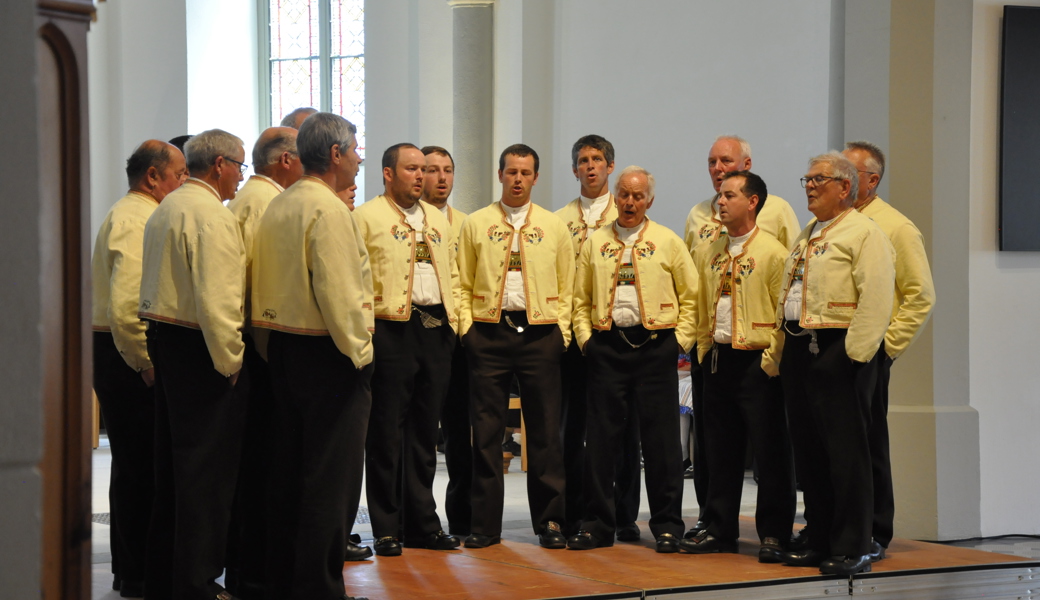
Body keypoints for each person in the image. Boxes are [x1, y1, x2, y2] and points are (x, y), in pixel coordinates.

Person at [251, 112, 372, 600]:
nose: (360, 158)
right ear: (337, 155)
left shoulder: (280, 205)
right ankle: (320, 588)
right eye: (356, 148)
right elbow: (341, 293)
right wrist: (361, 354)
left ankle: (285, 581)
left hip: (281, 348)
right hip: (327, 354)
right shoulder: (327, 210)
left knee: (291, 474)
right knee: (330, 481)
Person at [766, 151, 895, 576]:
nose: (809, 186)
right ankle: (819, 537)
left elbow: (876, 298)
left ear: (845, 187)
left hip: (841, 352)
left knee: (847, 455)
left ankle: (853, 543)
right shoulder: (810, 232)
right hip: (802, 349)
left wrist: (855, 357)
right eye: (806, 180)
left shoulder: (864, 233)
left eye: (818, 179)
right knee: (810, 453)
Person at [139, 129, 248, 600]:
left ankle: (166, 577)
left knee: (174, 471)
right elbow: (217, 299)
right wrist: (232, 360)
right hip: (201, 351)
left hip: (168, 343)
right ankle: (198, 584)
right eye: (240, 165)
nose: (242, 176)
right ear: (219, 164)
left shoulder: (167, 207)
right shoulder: (210, 216)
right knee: (207, 477)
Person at [568, 166, 695, 553]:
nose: (629, 202)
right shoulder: (595, 243)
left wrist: (678, 343)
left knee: (662, 444)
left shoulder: (668, 241)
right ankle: (597, 525)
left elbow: (691, 297)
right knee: (602, 443)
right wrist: (588, 341)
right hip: (607, 348)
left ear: (649, 201)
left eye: (638, 196)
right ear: (615, 198)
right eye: (624, 194)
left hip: (656, 348)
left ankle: (668, 525)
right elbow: (578, 298)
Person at [681, 135, 802, 540]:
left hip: (757, 362)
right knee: (719, 450)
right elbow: (699, 302)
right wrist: (700, 348)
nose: (721, 201)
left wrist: (771, 360)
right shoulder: (711, 250)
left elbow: (786, 312)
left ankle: (773, 533)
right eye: (720, 196)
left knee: (769, 452)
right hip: (716, 358)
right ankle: (718, 528)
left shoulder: (772, 252)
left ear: (752, 202)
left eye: (730, 195)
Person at [457, 144, 572, 549]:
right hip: (489, 333)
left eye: (525, 172)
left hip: (540, 334)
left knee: (544, 433)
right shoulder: (476, 223)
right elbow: (461, 282)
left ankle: (551, 522)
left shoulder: (554, 226)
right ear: (500, 174)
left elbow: (568, 284)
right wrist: (468, 331)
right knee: (486, 433)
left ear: (536, 177)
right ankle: (485, 526)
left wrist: (563, 334)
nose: (518, 179)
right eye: (511, 172)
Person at [355, 143, 461, 556]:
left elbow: (451, 273)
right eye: (412, 169)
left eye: (424, 170)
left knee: (423, 432)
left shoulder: (438, 219)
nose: (421, 176)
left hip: (435, 329)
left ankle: (423, 524)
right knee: (385, 432)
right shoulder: (365, 217)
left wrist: (454, 327)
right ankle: (385, 526)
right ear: (387, 173)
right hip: (390, 329)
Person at [91, 140, 186, 598]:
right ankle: (139, 572)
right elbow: (128, 305)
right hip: (126, 353)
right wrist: (145, 362)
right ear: (153, 176)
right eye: (180, 175)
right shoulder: (138, 218)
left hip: (118, 350)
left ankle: (135, 570)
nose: (184, 183)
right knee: (141, 468)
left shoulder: (131, 212)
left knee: (136, 467)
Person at [222, 126, 308, 597]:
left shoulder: (261, 197)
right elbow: (258, 281)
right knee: (264, 469)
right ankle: (256, 571)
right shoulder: (263, 201)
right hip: (262, 349)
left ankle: (255, 567)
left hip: (259, 347)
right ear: (285, 161)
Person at [843, 141, 935, 561]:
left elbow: (920, 295)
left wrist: (888, 347)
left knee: (868, 442)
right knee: (834, 443)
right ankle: (835, 525)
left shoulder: (896, 226)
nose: (839, 178)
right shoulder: (835, 223)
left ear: (872, 179)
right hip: (831, 350)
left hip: (870, 352)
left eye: (849, 171)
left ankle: (876, 529)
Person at [554, 134, 642, 540]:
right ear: (574, 170)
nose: (590, 166)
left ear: (610, 165)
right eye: (583, 161)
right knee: (572, 427)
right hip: (575, 333)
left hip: (615, 334)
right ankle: (575, 510)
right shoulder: (557, 221)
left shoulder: (626, 211)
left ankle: (622, 514)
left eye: (597, 159)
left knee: (621, 427)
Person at [420, 145, 472, 537]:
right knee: (419, 433)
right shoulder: (406, 220)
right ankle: (418, 517)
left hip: (460, 339)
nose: (441, 178)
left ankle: (464, 516)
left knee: (461, 433)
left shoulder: (467, 224)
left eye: (447, 170)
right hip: (418, 336)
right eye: (433, 170)